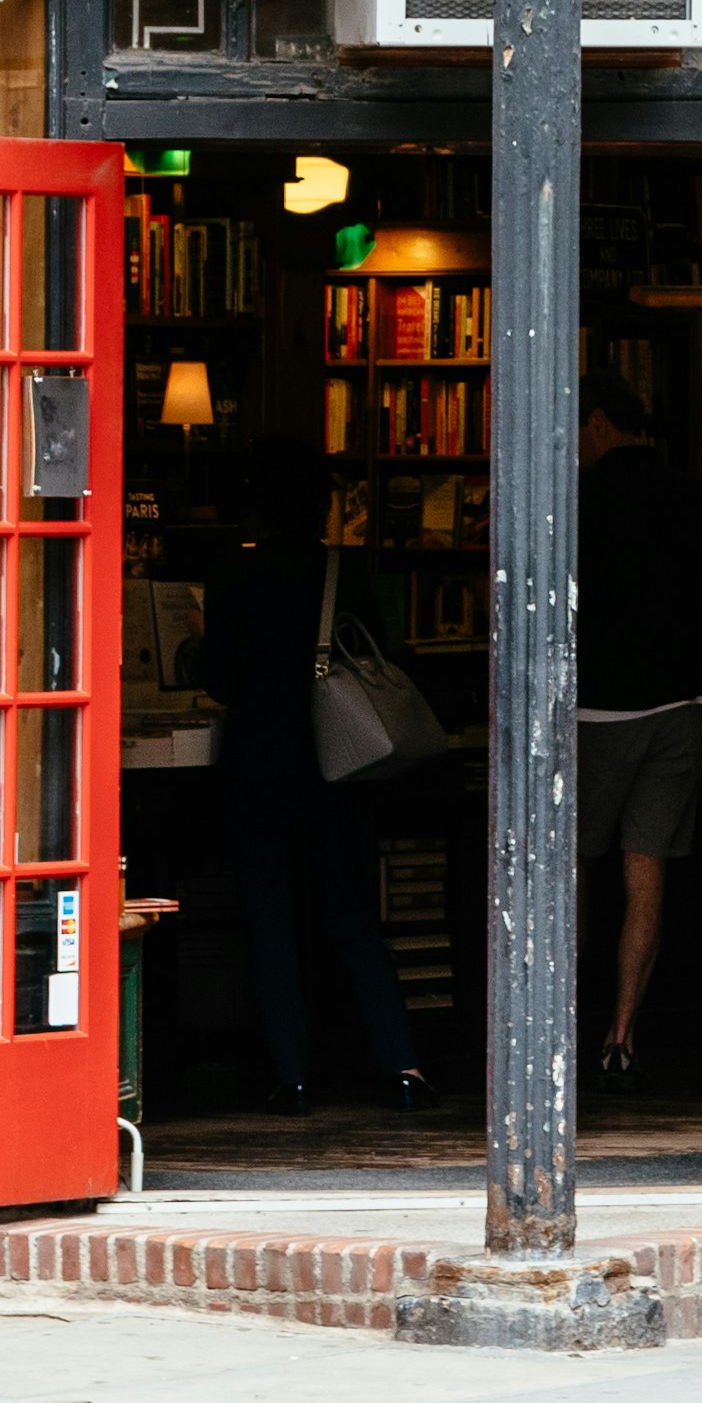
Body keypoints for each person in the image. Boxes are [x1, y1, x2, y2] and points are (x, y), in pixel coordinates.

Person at [196, 437, 431, 1116]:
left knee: (271, 915)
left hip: (258, 762)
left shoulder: (231, 573)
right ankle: (402, 1062)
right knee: (354, 914)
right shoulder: (341, 571)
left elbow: (218, 678)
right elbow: (383, 658)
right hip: (338, 763)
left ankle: (293, 1074)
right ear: (319, 503)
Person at [572, 373, 702, 1086]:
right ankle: (622, 1029)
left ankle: (564, 1022)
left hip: (592, 716)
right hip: (681, 713)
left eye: (578, 429)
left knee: (571, 872)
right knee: (646, 875)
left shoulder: (575, 505)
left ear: (602, 424)